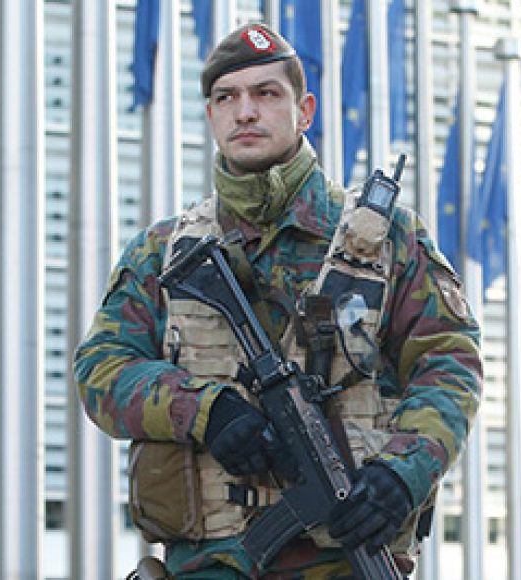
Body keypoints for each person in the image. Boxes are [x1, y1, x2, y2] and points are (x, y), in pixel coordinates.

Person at [74, 23, 482, 579]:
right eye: (227, 98)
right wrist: (207, 411)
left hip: (345, 560)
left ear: (304, 111)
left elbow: (449, 363)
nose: (245, 112)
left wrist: (403, 472)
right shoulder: (163, 250)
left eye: (266, 93)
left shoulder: (388, 239)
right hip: (209, 564)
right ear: (211, 115)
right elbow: (100, 370)